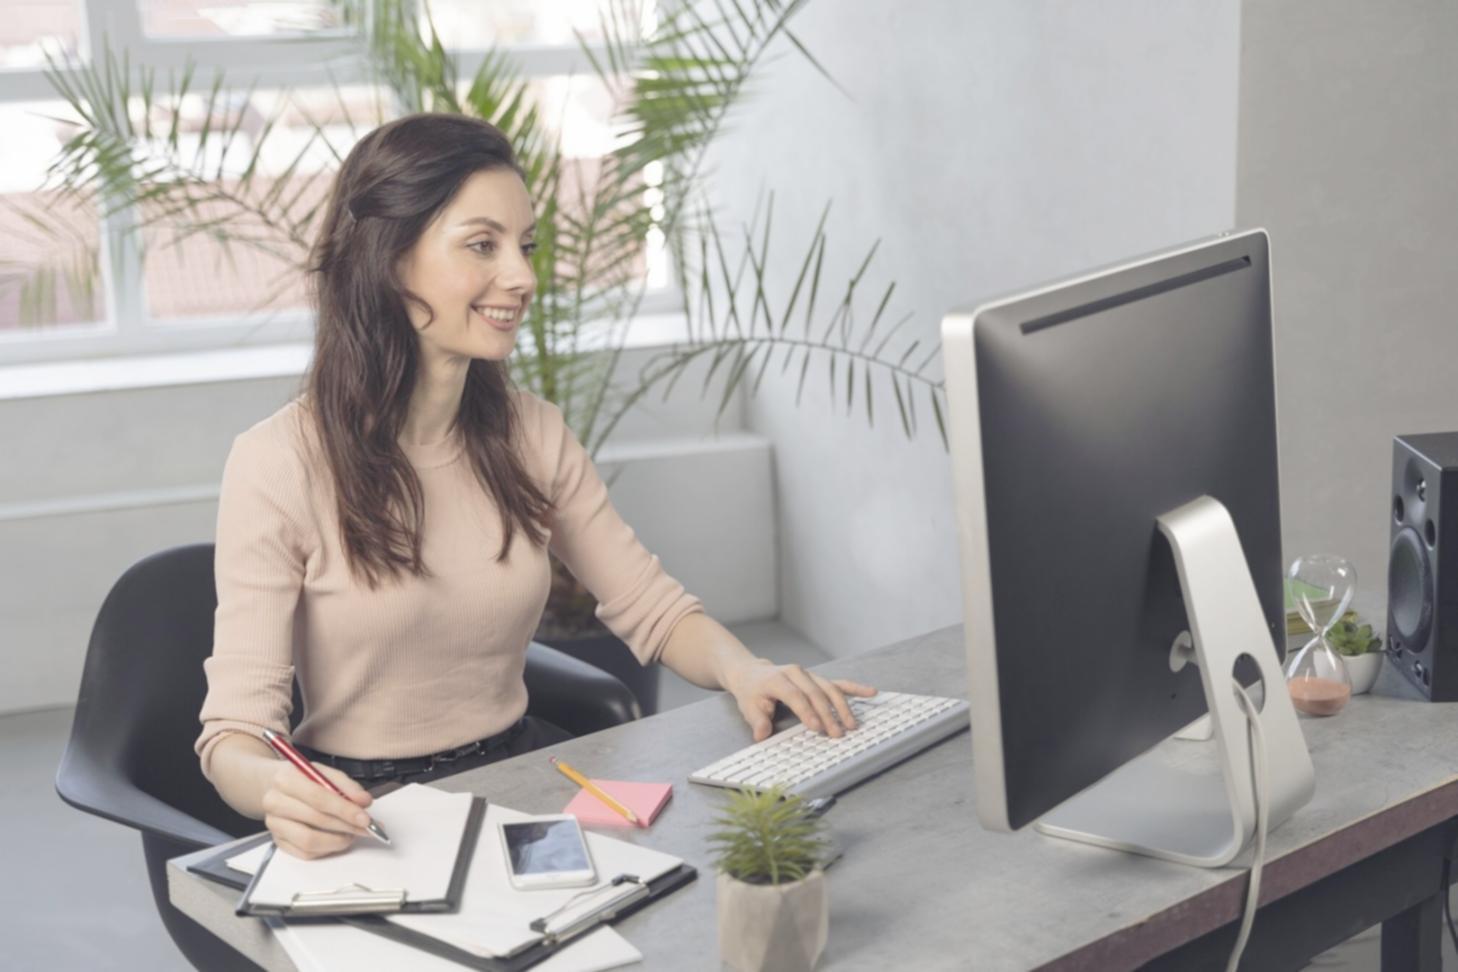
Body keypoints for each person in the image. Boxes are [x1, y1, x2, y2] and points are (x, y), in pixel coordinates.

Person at [195, 113, 875, 860]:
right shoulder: (278, 462)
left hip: (520, 783)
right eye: (482, 245)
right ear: (389, 259)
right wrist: (278, 791)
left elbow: (651, 608)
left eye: (525, 247)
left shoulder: (534, 433)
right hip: (369, 818)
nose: (522, 278)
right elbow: (235, 736)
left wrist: (746, 669)